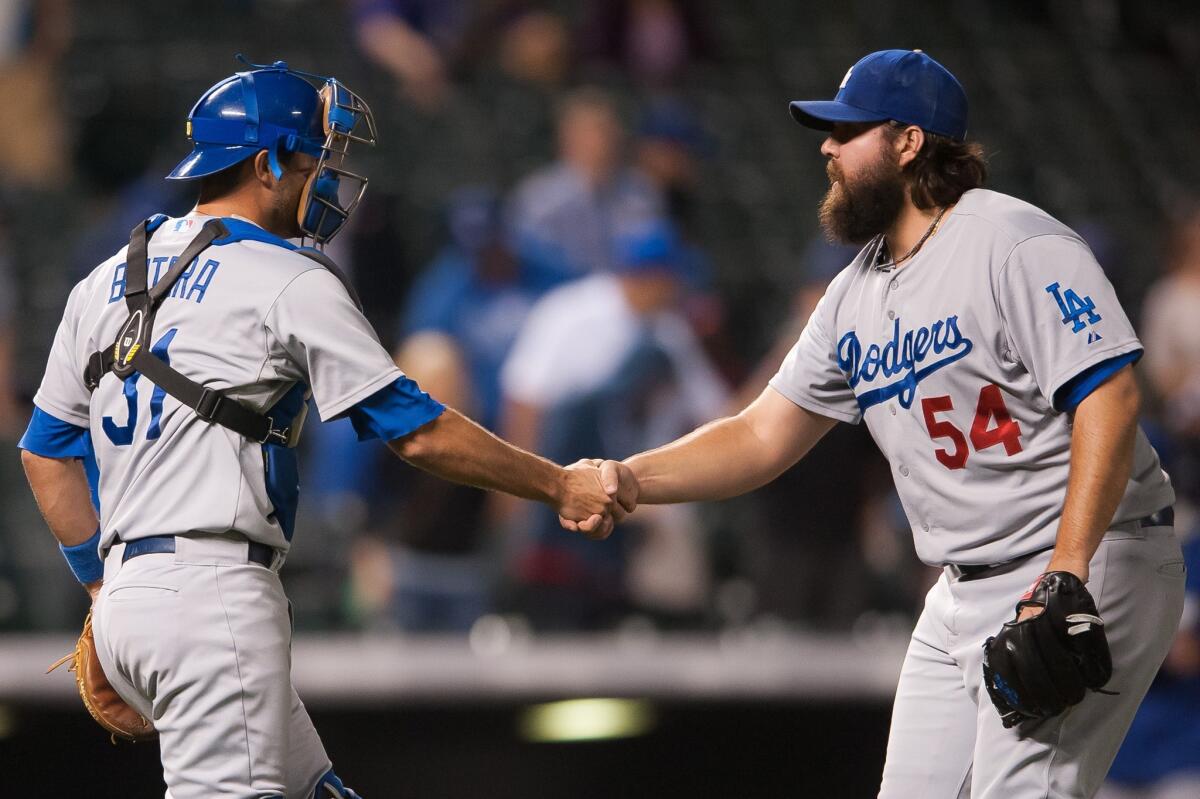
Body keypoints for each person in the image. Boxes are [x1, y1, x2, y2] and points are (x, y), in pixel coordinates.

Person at [571, 50, 1185, 798]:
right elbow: (761, 434)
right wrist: (633, 477)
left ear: (908, 141)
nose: (826, 148)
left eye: (847, 131)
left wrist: (1067, 570)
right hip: (962, 587)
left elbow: (1111, 397)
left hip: (1087, 559)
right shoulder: (853, 294)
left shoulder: (1013, 241)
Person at [17, 59, 626, 798]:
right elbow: (416, 430)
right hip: (211, 597)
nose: (327, 178)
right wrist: (557, 482)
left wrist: (103, 586)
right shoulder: (290, 277)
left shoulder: (105, 279)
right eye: (316, 159)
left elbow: (46, 449)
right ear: (269, 163)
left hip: (129, 599)